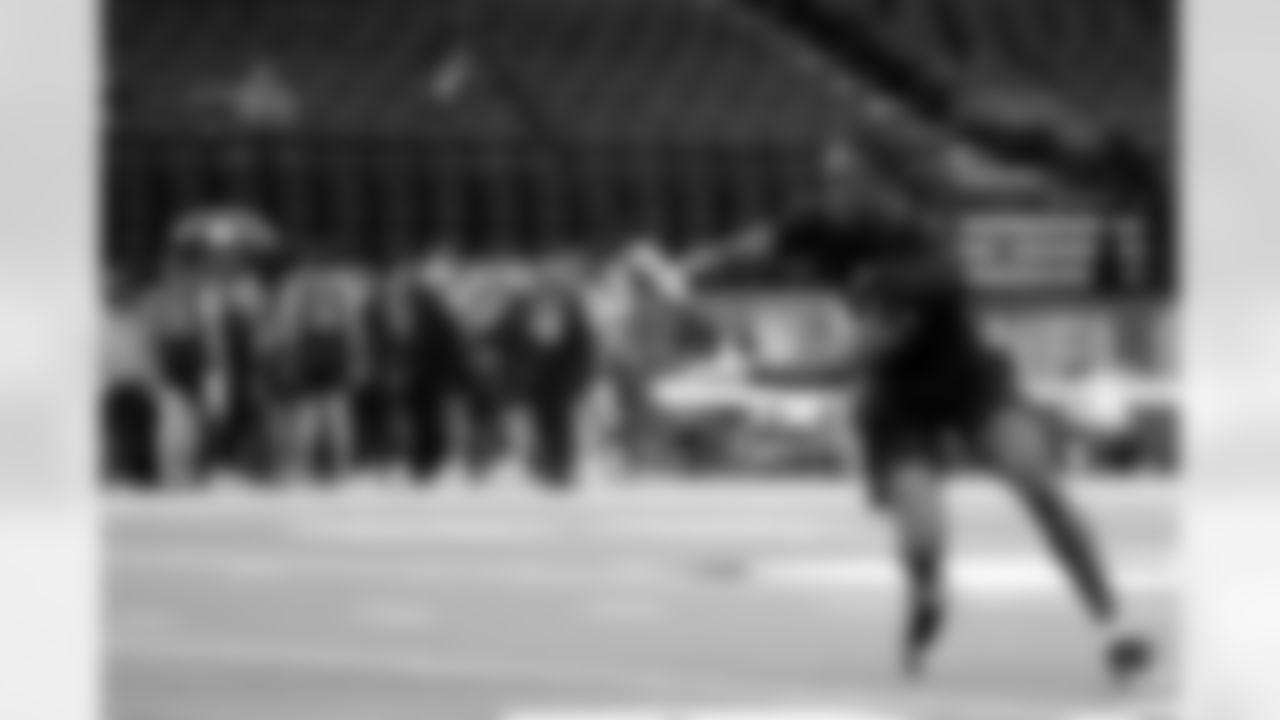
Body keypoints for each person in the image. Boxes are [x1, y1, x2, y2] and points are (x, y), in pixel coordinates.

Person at [686, 138, 1153, 684]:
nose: (836, 191)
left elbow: (842, 368)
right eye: (831, 178)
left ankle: (1114, 628)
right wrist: (691, 265)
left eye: (851, 180)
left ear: (889, 188)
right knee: (924, 537)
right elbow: (759, 244)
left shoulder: (923, 259)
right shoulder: (823, 222)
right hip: (900, 403)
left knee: (1035, 479)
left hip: (970, 388)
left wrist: (750, 371)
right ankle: (928, 589)